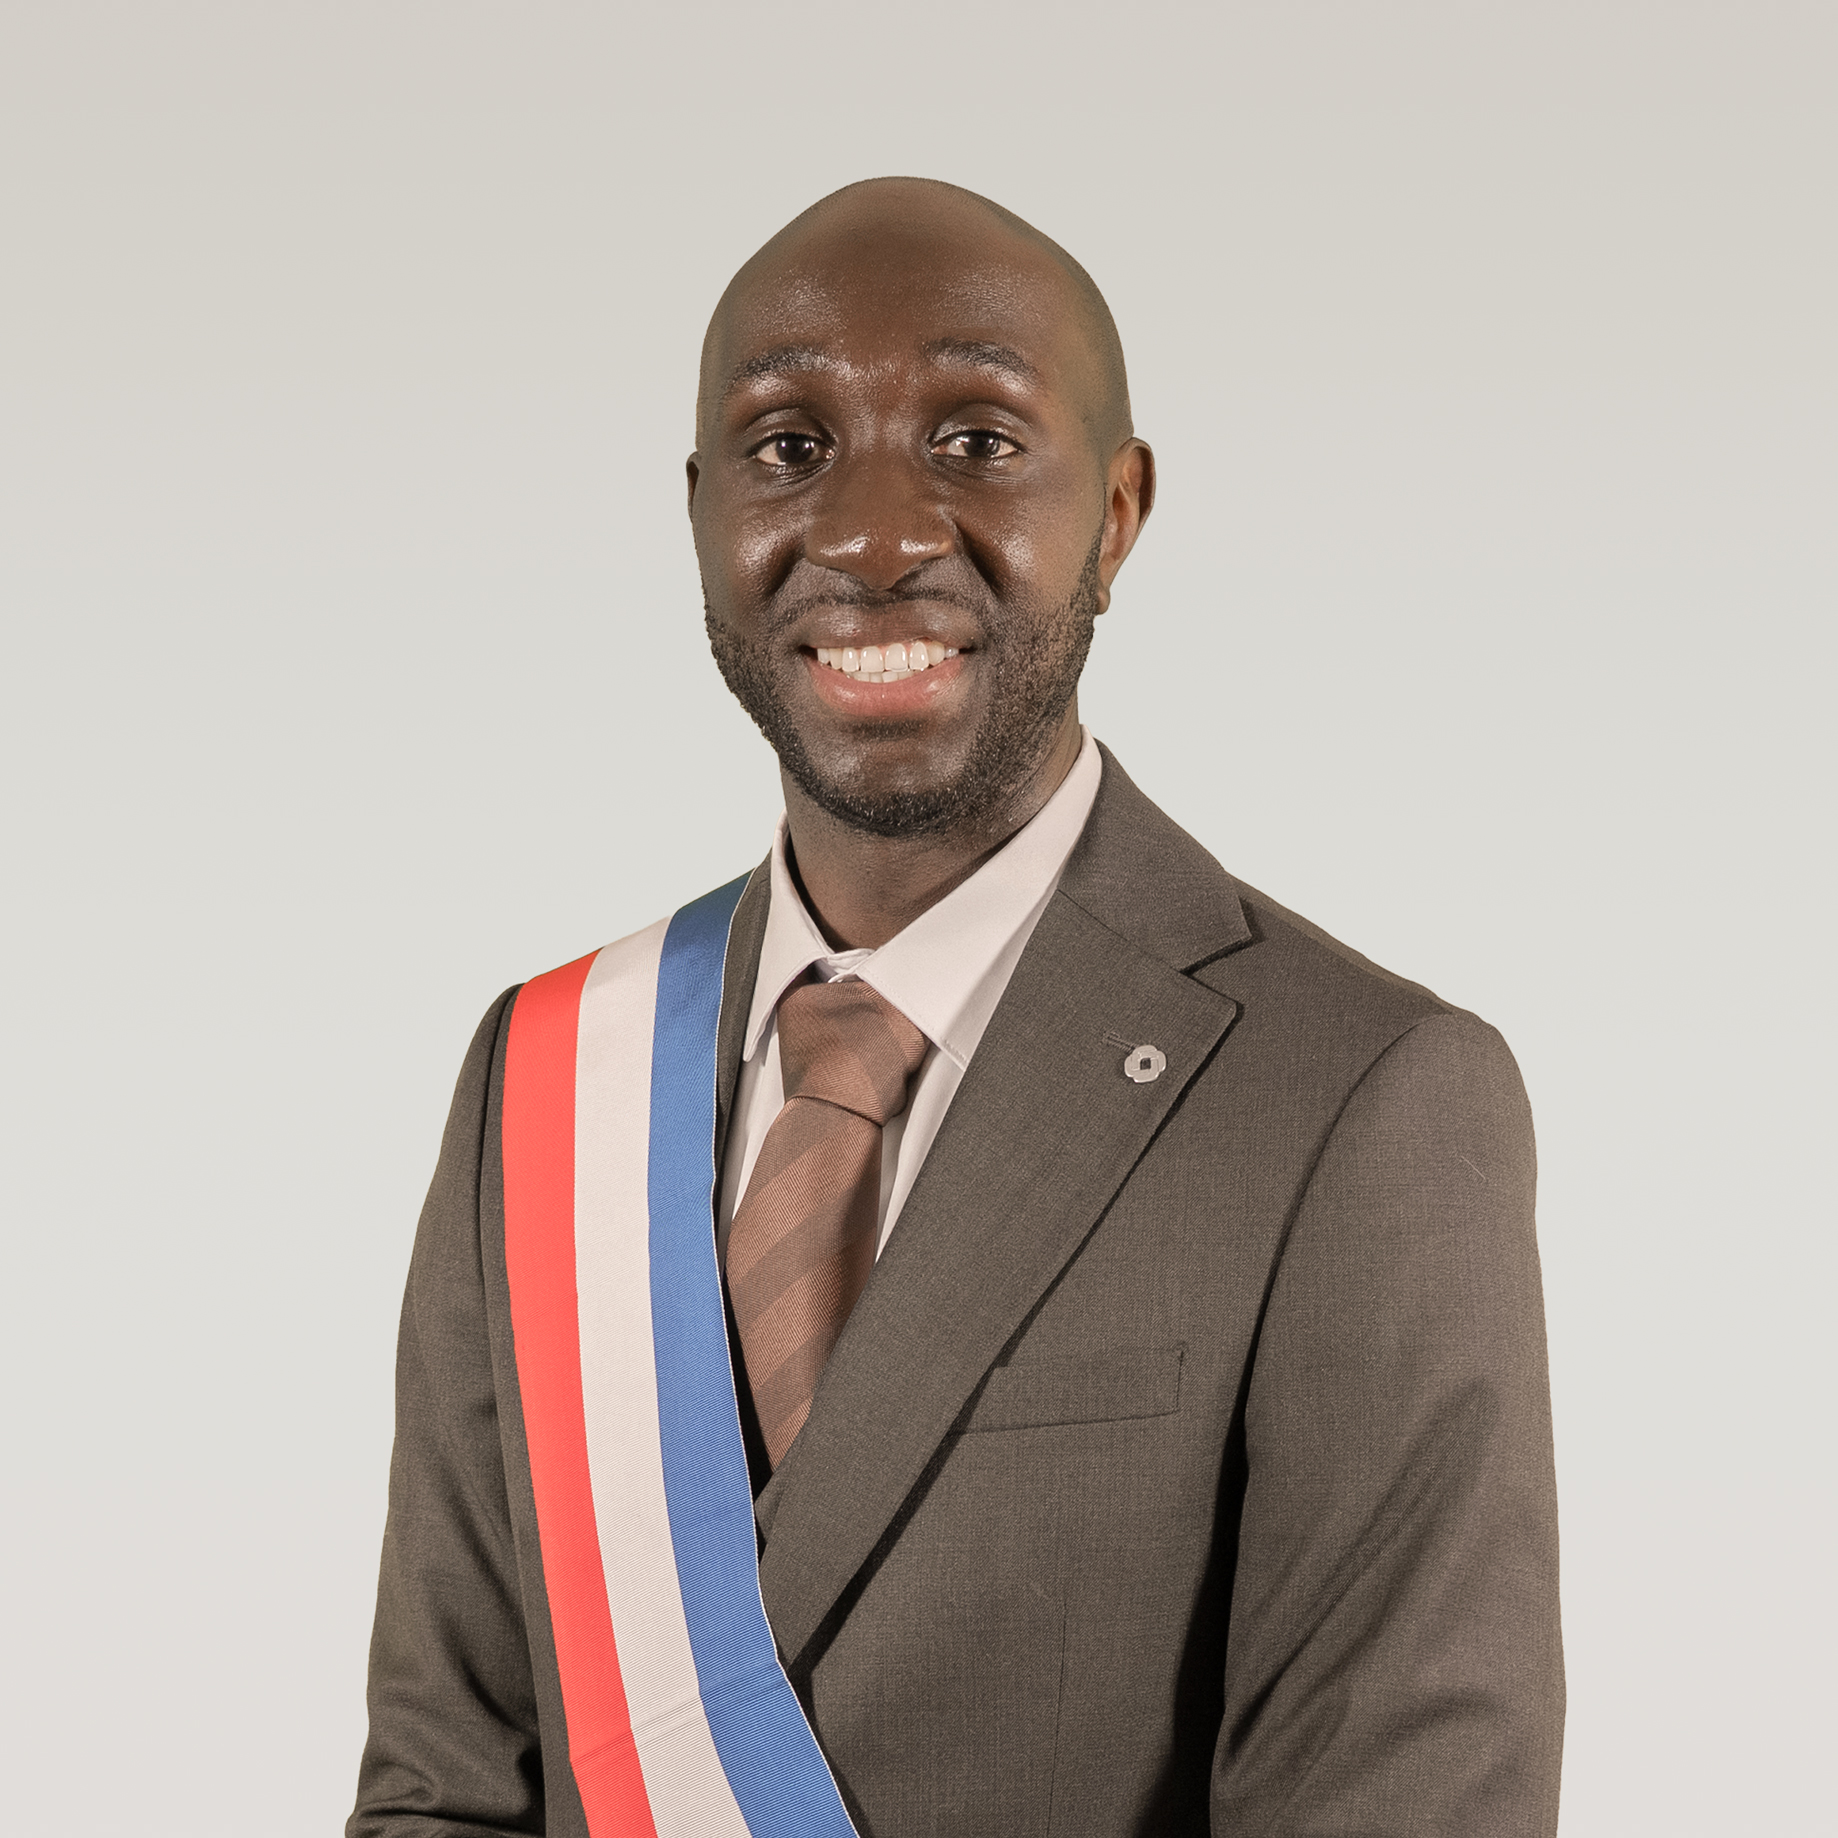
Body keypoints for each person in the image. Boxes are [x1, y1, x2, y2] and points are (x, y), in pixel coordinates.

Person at [349, 177, 1564, 1838]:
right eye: (789, 446)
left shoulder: (1358, 1096)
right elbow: (442, 1785)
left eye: (976, 440)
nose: (870, 535)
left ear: (1116, 515)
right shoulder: (543, 1079)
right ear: (700, 513)